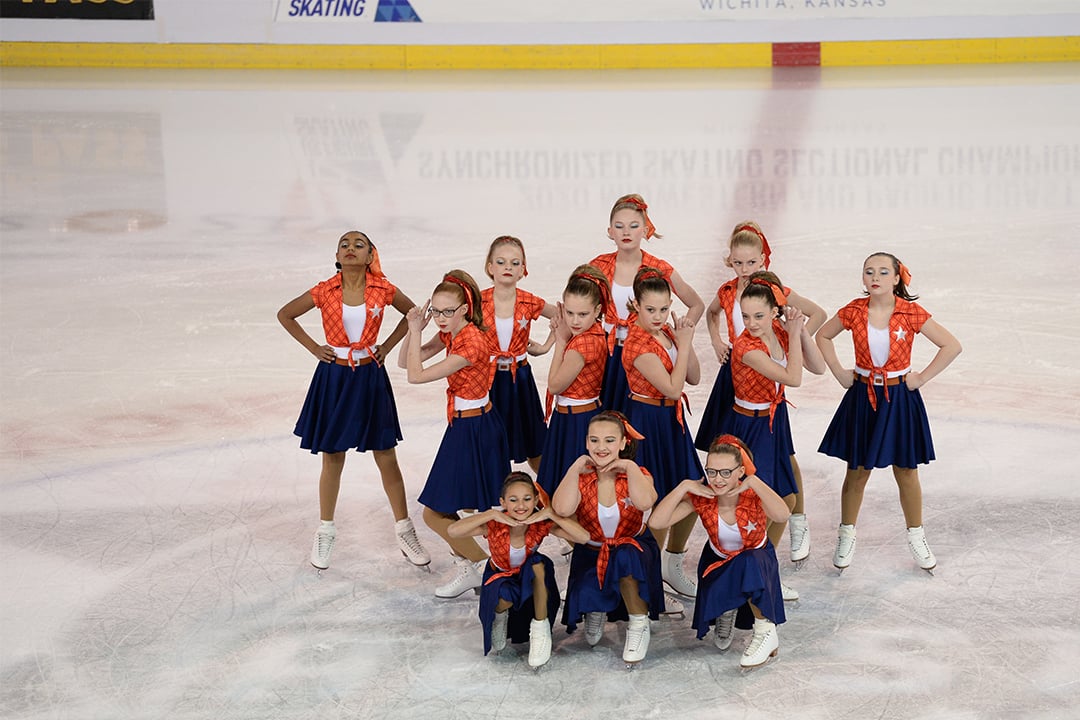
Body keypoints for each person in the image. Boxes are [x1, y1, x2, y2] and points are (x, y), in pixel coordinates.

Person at [277, 230, 429, 571]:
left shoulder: (384, 289)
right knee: (332, 456)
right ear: (337, 254)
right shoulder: (324, 290)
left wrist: (387, 348)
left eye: (358, 245)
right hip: (334, 379)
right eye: (344, 244)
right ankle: (326, 531)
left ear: (370, 255)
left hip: (370, 378)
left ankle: (405, 529)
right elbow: (285, 314)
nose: (350, 249)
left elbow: (413, 315)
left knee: (386, 455)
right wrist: (315, 348)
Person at [816, 253, 961, 573]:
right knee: (857, 470)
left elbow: (951, 345)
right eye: (869, 272)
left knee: (906, 470)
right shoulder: (854, 310)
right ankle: (846, 533)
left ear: (897, 278)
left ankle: (917, 535)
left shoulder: (910, 312)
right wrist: (840, 372)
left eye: (883, 271)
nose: (875, 276)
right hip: (863, 397)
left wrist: (920, 377)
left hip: (899, 399)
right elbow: (822, 335)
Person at [695, 222, 827, 565]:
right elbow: (711, 316)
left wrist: (794, 333)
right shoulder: (728, 295)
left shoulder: (774, 297)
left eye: (750, 263)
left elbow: (814, 357)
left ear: (763, 260)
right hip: (742, 377)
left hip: (770, 391)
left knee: (784, 461)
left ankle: (791, 523)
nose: (744, 270)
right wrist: (716, 341)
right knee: (736, 464)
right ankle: (736, 545)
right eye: (738, 263)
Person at [398, 270, 511, 598]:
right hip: (465, 426)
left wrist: (417, 329)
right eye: (436, 310)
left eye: (448, 311)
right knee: (452, 509)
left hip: (475, 429)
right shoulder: (453, 332)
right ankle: (473, 566)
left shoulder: (472, 341)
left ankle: (482, 567)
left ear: (464, 309)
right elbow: (406, 361)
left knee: (436, 513)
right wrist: (414, 330)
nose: (441, 318)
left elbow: (415, 378)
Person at [719, 271, 825, 601]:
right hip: (749, 427)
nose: (751, 323)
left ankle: (763, 571)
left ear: (775, 312)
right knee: (758, 506)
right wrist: (793, 335)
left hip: (772, 422)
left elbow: (818, 367)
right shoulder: (745, 346)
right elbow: (794, 378)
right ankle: (743, 579)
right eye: (746, 316)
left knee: (787, 501)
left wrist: (800, 331)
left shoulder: (779, 330)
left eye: (759, 315)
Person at [649, 435, 790, 669]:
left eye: (726, 472)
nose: (717, 479)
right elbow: (657, 522)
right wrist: (683, 486)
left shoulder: (754, 494)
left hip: (757, 561)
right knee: (737, 564)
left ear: (740, 471)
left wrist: (754, 482)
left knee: (749, 561)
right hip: (719, 560)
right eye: (711, 471)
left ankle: (766, 632)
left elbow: (782, 515)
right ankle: (727, 607)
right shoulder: (703, 498)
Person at [552, 411, 662, 666]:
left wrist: (630, 466)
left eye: (610, 440)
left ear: (624, 443)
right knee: (593, 564)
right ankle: (596, 607)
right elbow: (563, 509)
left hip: (632, 549)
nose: (601, 447)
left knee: (624, 556)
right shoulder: (581, 477)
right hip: (593, 551)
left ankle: (638, 623)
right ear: (586, 442)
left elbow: (645, 501)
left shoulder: (639, 472)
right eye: (594, 440)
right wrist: (574, 468)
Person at [621, 267, 704, 600]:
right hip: (647, 422)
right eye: (650, 309)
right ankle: (649, 580)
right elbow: (672, 388)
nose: (658, 316)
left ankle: (672, 561)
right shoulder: (636, 344)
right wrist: (683, 345)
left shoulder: (668, 333)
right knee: (655, 502)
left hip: (672, 420)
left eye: (664, 309)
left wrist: (684, 340)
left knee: (692, 493)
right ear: (636, 307)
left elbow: (694, 377)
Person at [448, 472, 589, 668]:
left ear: (536, 500)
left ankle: (541, 631)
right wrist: (490, 514)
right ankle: (499, 616)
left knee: (538, 564)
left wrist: (550, 513)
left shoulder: (539, 524)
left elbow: (582, 537)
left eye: (527, 499)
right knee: (503, 598)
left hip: (528, 578)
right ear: (503, 502)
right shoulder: (494, 525)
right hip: (500, 576)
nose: (521, 506)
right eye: (513, 500)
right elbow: (453, 531)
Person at [589, 194, 704, 417]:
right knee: (607, 415)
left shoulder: (658, 267)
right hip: (608, 352)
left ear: (645, 229)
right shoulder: (599, 266)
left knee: (636, 415)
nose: (626, 232)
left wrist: (681, 335)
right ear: (610, 231)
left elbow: (696, 304)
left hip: (644, 352)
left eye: (633, 226)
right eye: (619, 226)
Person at [480, 236, 556, 474]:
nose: (508, 268)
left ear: (523, 269)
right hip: (487, 380)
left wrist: (546, 346)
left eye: (515, 263)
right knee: (489, 444)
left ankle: (549, 494)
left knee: (533, 442)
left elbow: (565, 316)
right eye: (501, 262)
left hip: (519, 379)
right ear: (490, 267)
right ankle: (493, 501)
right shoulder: (476, 300)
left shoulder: (529, 301)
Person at [535, 264, 611, 497]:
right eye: (569, 313)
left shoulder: (583, 343)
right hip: (571, 417)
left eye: (582, 314)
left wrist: (560, 340)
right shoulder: (594, 331)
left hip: (577, 423)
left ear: (597, 310)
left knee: (573, 495)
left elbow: (555, 385)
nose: (575, 321)